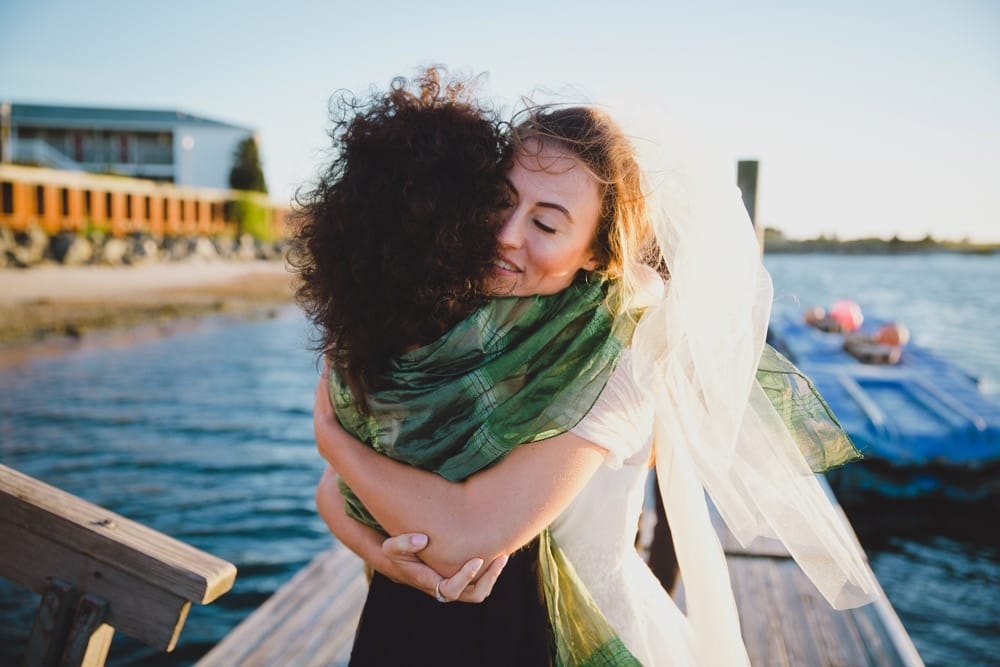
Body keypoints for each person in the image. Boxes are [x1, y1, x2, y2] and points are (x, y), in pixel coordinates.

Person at [301, 72, 881, 666]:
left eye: (546, 223)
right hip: (418, 630)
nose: (506, 236)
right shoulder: (449, 317)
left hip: (560, 641)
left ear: (599, 252)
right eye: (501, 202)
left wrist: (332, 440)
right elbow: (336, 496)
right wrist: (380, 553)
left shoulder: (621, 354)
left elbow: (469, 534)